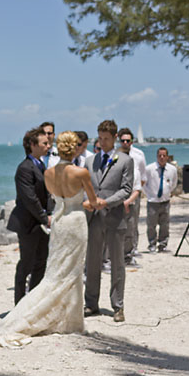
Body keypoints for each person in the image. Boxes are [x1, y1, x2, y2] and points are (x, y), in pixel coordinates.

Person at [0, 131, 102, 347]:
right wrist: (91, 203)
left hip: (58, 222)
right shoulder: (81, 172)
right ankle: (70, 320)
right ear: (75, 148)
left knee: (55, 270)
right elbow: (91, 201)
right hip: (75, 221)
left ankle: (55, 314)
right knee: (73, 270)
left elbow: (58, 199)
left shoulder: (48, 173)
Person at [84, 120, 134, 323]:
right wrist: (86, 202)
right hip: (93, 218)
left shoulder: (124, 161)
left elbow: (126, 189)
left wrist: (107, 202)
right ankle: (91, 303)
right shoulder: (89, 161)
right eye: (100, 138)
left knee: (117, 264)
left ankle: (118, 306)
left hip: (115, 217)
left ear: (114, 138)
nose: (102, 142)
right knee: (92, 262)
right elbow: (85, 186)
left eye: (106, 138)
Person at [7, 127, 54, 304]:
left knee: (41, 262)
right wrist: (45, 218)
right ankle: (19, 302)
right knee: (26, 264)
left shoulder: (40, 165)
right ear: (33, 145)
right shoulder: (24, 168)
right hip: (28, 224)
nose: (48, 145)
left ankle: (33, 301)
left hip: (40, 224)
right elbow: (30, 199)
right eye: (44, 143)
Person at [117, 128, 146, 265]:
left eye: (128, 140)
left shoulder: (138, 155)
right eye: (123, 140)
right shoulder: (115, 155)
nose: (125, 143)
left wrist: (133, 194)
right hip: (118, 197)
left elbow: (142, 177)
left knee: (132, 225)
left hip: (133, 194)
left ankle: (130, 252)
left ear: (132, 141)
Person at [143, 147, 178, 253]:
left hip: (165, 201)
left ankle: (163, 244)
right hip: (152, 201)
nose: (162, 158)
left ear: (167, 157)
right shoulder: (149, 169)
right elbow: (144, 183)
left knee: (165, 225)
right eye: (160, 155)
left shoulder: (172, 169)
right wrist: (149, 194)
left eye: (164, 155)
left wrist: (167, 192)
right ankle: (152, 244)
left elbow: (174, 183)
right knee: (151, 225)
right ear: (157, 156)